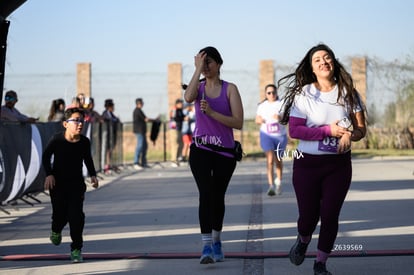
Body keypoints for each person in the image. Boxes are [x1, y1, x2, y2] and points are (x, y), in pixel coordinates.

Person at [278, 43, 366, 275]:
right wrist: (329, 131)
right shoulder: (304, 94)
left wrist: (350, 135)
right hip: (307, 163)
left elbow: (361, 130)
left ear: (333, 62)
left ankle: (320, 263)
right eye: (317, 60)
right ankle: (303, 239)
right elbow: (295, 132)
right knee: (308, 216)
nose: (323, 62)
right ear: (312, 68)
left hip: (338, 166)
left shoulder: (348, 92)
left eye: (327, 58)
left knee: (329, 215)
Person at [184, 46, 244, 264]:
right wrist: (197, 69)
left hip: (225, 152)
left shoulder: (230, 89)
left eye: (209, 62)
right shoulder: (198, 88)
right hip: (200, 150)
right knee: (205, 193)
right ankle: (206, 245)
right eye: (202, 62)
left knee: (217, 196)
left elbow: (238, 122)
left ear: (219, 64)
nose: (206, 67)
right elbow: (188, 96)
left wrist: (212, 113)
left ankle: (217, 240)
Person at [42, 107, 99, 263]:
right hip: (58, 184)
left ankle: (76, 249)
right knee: (60, 215)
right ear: (65, 124)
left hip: (76, 185)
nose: (80, 124)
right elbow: (46, 157)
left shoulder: (84, 142)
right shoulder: (57, 139)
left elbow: (88, 159)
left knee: (76, 217)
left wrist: (93, 175)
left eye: (82, 121)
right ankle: (56, 229)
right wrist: (49, 174)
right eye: (76, 121)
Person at [255, 84, 288, 196]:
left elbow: (286, 118)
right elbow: (257, 119)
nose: (272, 94)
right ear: (266, 94)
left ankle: (278, 182)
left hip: (280, 136)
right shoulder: (262, 106)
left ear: (276, 93)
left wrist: (280, 118)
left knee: (278, 160)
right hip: (266, 135)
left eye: (273, 92)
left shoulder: (281, 104)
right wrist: (259, 120)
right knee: (270, 159)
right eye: (269, 93)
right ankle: (271, 186)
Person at [133, 98, 158, 169]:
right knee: (139, 146)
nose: (142, 104)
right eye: (141, 103)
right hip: (139, 131)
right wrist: (154, 120)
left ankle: (143, 162)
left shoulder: (140, 111)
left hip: (142, 131)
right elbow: (146, 119)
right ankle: (136, 162)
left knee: (144, 147)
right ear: (138, 103)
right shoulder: (137, 111)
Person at [101, 99, 120, 174]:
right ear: (109, 106)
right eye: (112, 106)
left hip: (112, 135)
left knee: (110, 150)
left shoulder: (111, 114)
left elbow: (116, 120)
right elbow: (108, 120)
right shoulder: (105, 113)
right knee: (107, 150)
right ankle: (106, 166)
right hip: (107, 135)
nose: (113, 107)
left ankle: (110, 164)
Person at [170, 98, 186, 163]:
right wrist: (183, 118)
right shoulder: (174, 109)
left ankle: (179, 157)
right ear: (177, 104)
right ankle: (173, 160)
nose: (182, 104)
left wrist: (184, 117)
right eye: (180, 103)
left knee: (181, 144)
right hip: (174, 129)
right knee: (175, 144)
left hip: (179, 129)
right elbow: (174, 118)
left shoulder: (180, 110)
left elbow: (182, 116)